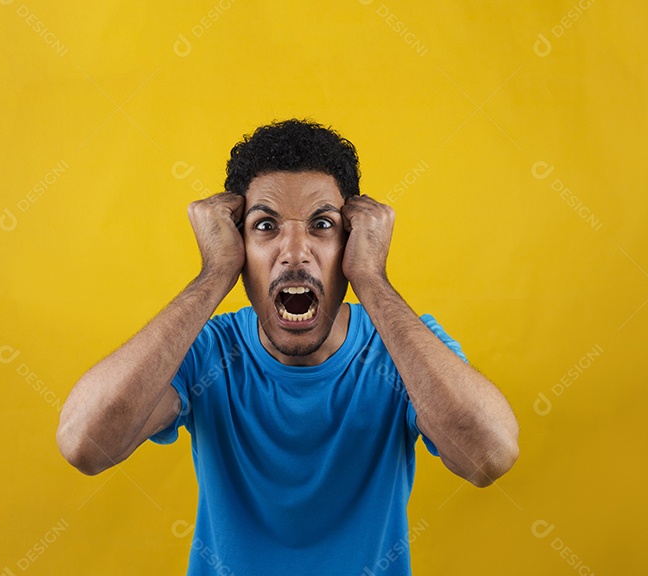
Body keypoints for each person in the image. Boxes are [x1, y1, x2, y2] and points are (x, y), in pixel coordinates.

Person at [57, 118, 519, 575]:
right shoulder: (207, 353)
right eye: (265, 226)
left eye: (322, 224)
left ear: (352, 241)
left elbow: (490, 456)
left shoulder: (403, 351)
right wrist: (213, 275)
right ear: (238, 243)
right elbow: (85, 444)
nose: (295, 252)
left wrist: (373, 281)